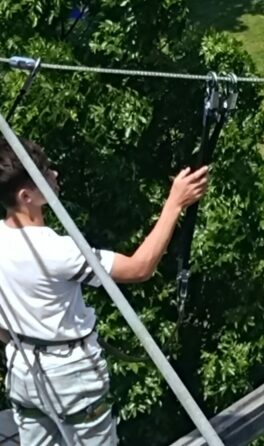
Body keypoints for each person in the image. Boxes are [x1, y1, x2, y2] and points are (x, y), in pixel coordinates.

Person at [0, 136, 208, 446]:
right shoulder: (55, 251)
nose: (54, 174)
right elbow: (139, 267)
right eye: (44, 173)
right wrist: (175, 203)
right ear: (26, 196)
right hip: (71, 375)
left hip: (22, 369)